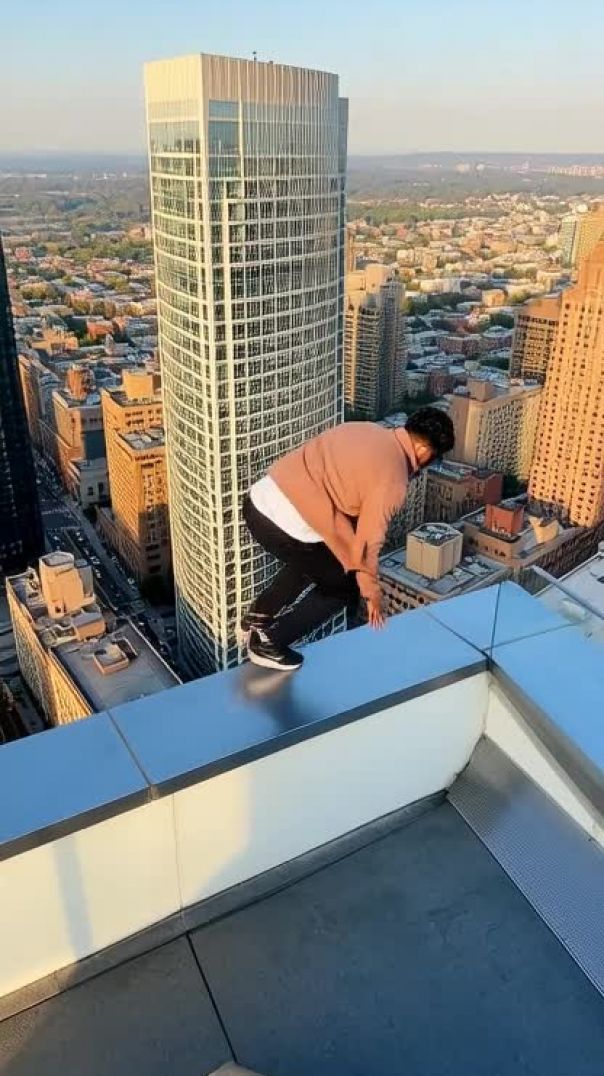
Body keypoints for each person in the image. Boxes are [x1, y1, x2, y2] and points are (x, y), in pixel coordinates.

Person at [241, 407, 455, 671]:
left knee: (319, 561)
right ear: (424, 451)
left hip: (259, 498)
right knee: (343, 587)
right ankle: (268, 643)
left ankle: (259, 615)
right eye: (435, 457)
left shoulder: (366, 429)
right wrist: (370, 592)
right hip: (284, 523)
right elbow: (368, 542)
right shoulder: (393, 479)